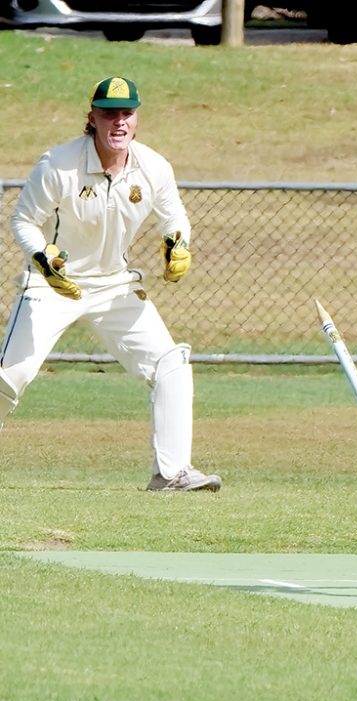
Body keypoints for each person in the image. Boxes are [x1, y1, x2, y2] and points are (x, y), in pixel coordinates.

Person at [4, 76, 221, 492]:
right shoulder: (58, 164)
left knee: (170, 365)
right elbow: (23, 221)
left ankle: (172, 474)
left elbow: (174, 217)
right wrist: (42, 259)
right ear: (92, 118)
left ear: (136, 119)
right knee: (9, 377)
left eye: (127, 113)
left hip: (115, 286)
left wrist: (178, 245)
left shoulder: (154, 167)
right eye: (108, 113)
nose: (118, 122)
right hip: (53, 285)